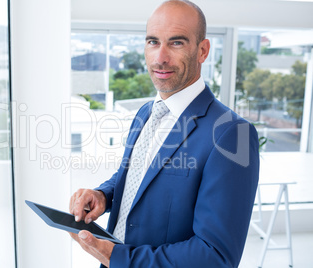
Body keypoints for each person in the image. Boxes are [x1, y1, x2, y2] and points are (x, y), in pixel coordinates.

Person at [69, 0, 260, 267]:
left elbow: (216, 256)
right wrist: (104, 195)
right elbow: (138, 175)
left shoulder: (231, 133)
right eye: (153, 42)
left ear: (202, 50)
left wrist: (117, 257)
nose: (160, 58)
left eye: (177, 43)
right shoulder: (145, 113)